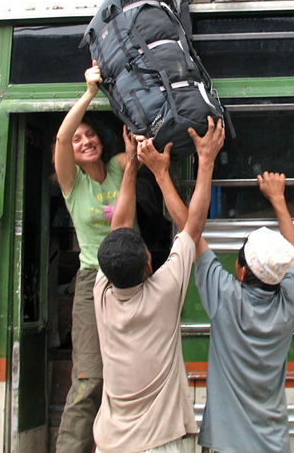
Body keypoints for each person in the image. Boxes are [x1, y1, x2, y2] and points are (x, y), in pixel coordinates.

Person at [138, 145, 294, 453]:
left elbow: (191, 233)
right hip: (274, 444)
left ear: (241, 272)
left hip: (227, 445)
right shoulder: (288, 299)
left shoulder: (226, 297)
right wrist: (279, 200)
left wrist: (161, 173)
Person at [92, 117, 226, 453]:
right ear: (149, 263)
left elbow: (120, 225)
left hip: (110, 441)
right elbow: (192, 225)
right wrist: (203, 161)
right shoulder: (163, 292)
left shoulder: (103, 295)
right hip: (158, 442)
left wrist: (131, 166)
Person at [53, 60, 131, 453]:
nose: (85, 141)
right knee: (88, 378)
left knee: (126, 376)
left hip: (128, 283)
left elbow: (139, 149)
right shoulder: (72, 182)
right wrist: (88, 94)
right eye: (79, 139)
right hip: (90, 282)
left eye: (91, 135)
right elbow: (62, 139)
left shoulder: (118, 168)